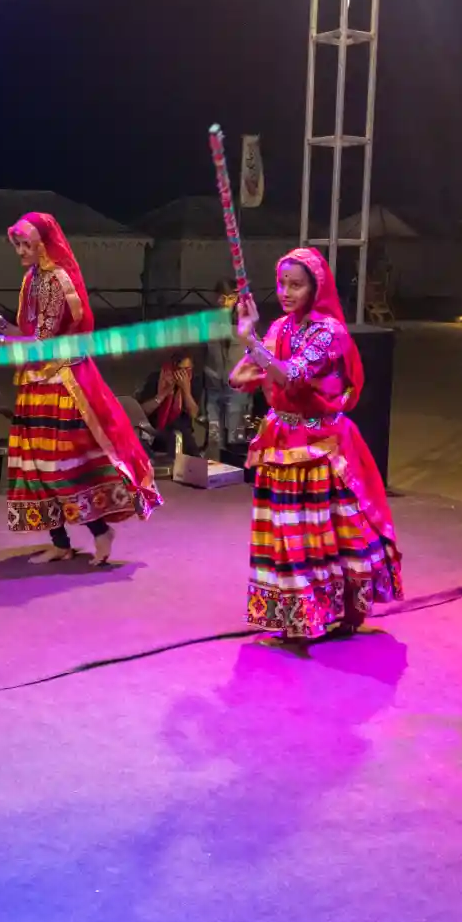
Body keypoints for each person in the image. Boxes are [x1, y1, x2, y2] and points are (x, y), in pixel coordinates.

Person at [0, 211, 160, 565]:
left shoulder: (56, 281)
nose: (20, 251)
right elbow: (23, 334)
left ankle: (101, 532)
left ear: (43, 245)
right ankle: (60, 542)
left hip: (62, 386)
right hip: (34, 386)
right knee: (35, 468)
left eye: (26, 245)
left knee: (63, 467)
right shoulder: (32, 279)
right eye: (17, 245)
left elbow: (40, 345)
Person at [231, 248, 401, 646]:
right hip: (281, 444)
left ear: (316, 288)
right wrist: (253, 340)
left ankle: (335, 611)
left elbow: (292, 375)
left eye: (296, 285)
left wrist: (251, 341)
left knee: (322, 533)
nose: (286, 292)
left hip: (319, 449)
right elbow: (240, 378)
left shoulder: (329, 332)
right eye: (282, 284)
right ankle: (298, 615)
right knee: (288, 535)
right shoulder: (279, 328)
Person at [202, 279, 251, 456]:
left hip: (236, 387)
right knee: (214, 437)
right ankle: (216, 463)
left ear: (236, 298)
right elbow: (203, 352)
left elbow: (257, 350)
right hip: (213, 386)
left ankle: (234, 464)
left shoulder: (245, 322)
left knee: (234, 437)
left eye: (230, 298)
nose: (225, 302)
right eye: (222, 298)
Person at [136, 348, 205, 457]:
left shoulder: (194, 381)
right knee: (173, 434)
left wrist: (186, 391)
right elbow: (142, 411)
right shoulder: (156, 379)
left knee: (180, 434)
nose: (184, 375)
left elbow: (194, 413)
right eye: (181, 370)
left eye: (188, 370)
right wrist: (162, 394)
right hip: (156, 431)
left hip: (183, 434)